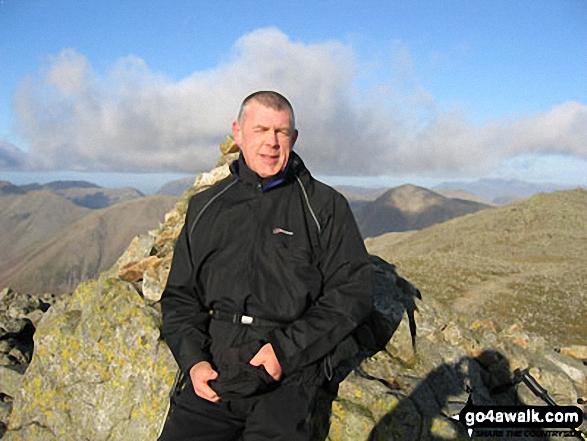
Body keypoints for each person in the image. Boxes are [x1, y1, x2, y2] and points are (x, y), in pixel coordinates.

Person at [158, 91, 372, 441]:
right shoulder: (205, 207)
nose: (271, 142)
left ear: (294, 138)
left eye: (281, 132)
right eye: (260, 130)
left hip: (288, 376)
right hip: (214, 370)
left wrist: (285, 352)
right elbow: (180, 297)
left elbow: (353, 293)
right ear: (238, 133)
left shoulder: (324, 207)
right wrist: (193, 361)